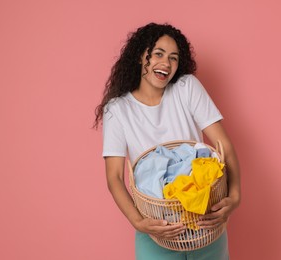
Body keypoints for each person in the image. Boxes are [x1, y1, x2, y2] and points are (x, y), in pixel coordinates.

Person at [94, 22, 241, 260]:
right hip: (155, 228)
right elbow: (114, 177)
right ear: (142, 56)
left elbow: (224, 146)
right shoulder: (118, 110)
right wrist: (139, 222)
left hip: (204, 221)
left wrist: (234, 197)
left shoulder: (187, 88)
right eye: (158, 54)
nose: (166, 63)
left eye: (173, 58)